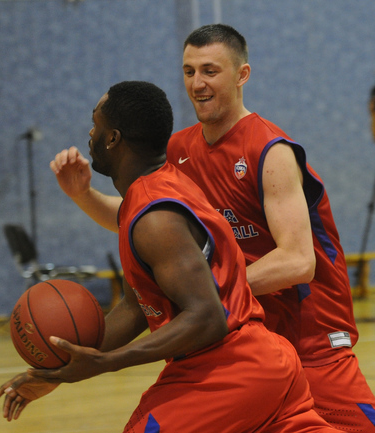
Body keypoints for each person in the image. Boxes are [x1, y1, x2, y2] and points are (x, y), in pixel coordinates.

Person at [46, 26, 375, 431]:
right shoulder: (179, 150)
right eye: (189, 71)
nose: (197, 83)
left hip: (311, 338)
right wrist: (82, 195)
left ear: (242, 75)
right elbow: (142, 220)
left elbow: (297, 261)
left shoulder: (269, 151)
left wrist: (205, 292)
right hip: (242, 341)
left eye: (210, 71)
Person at [0, 81, 342, 432]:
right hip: (261, 364)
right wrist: (59, 370)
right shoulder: (154, 191)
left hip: (229, 369)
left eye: (95, 124)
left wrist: (108, 362)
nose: (90, 134)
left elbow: (206, 317)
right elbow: (136, 307)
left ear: (113, 138)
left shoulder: (155, 218)